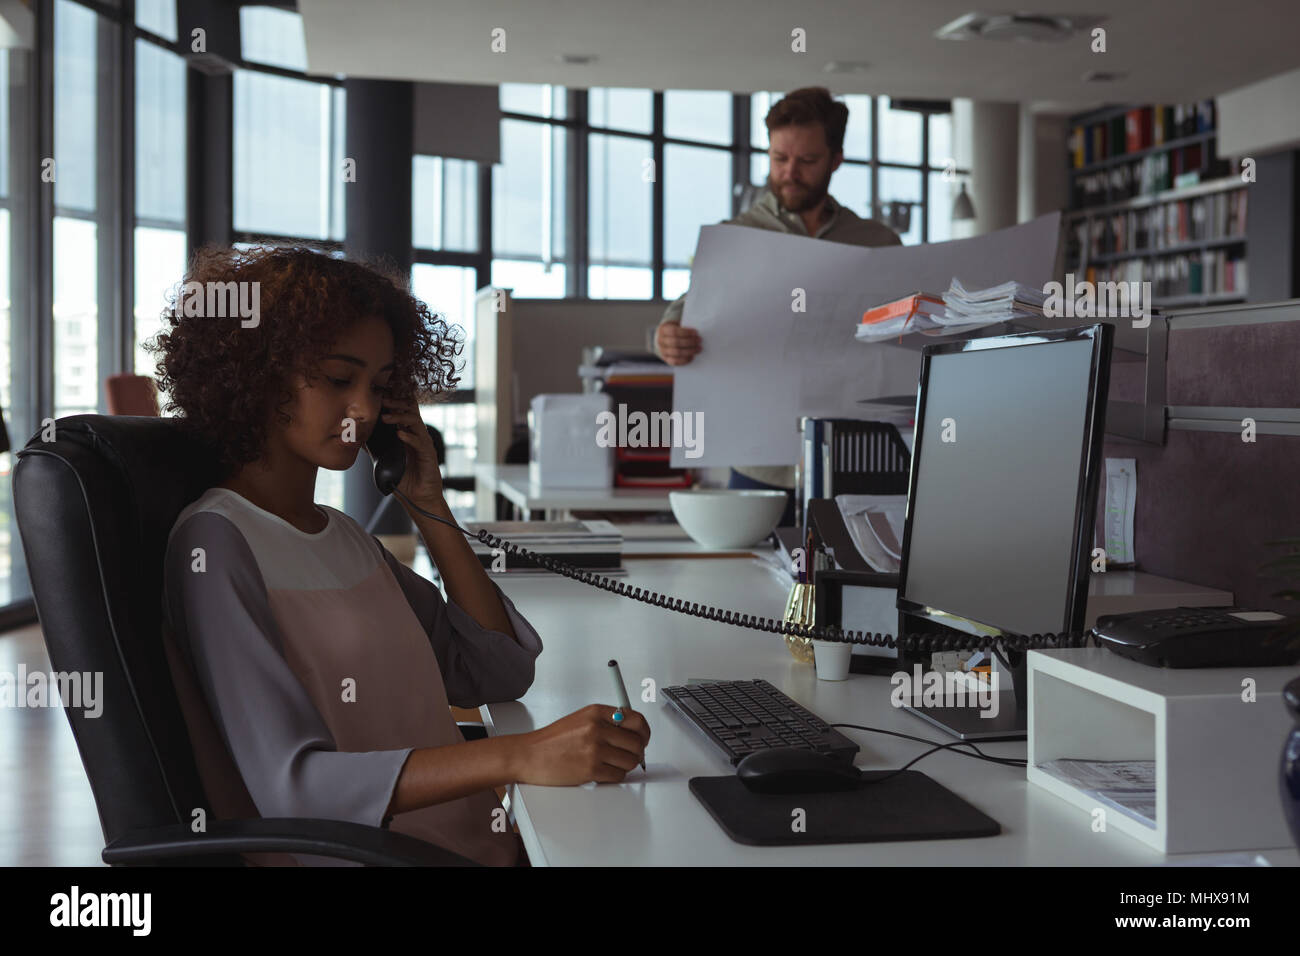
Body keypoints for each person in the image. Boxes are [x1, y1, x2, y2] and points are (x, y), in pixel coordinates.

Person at [149, 246, 650, 866]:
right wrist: (519, 754)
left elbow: (494, 673)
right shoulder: (216, 544)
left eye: (380, 387)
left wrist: (430, 509)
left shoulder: (345, 536)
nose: (363, 410)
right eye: (339, 379)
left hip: (471, 849)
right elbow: (292, 785)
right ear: (258, 372)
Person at [655, 87, 901, 521]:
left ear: (836, 160)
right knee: (749, 585)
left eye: (807, 161)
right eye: (778, 159)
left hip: (859, 454)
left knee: (864, 583)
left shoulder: (878, 243)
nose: (790, 173)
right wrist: (668, 334)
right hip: (761, 464)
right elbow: (685, 311)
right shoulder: (736, 236)